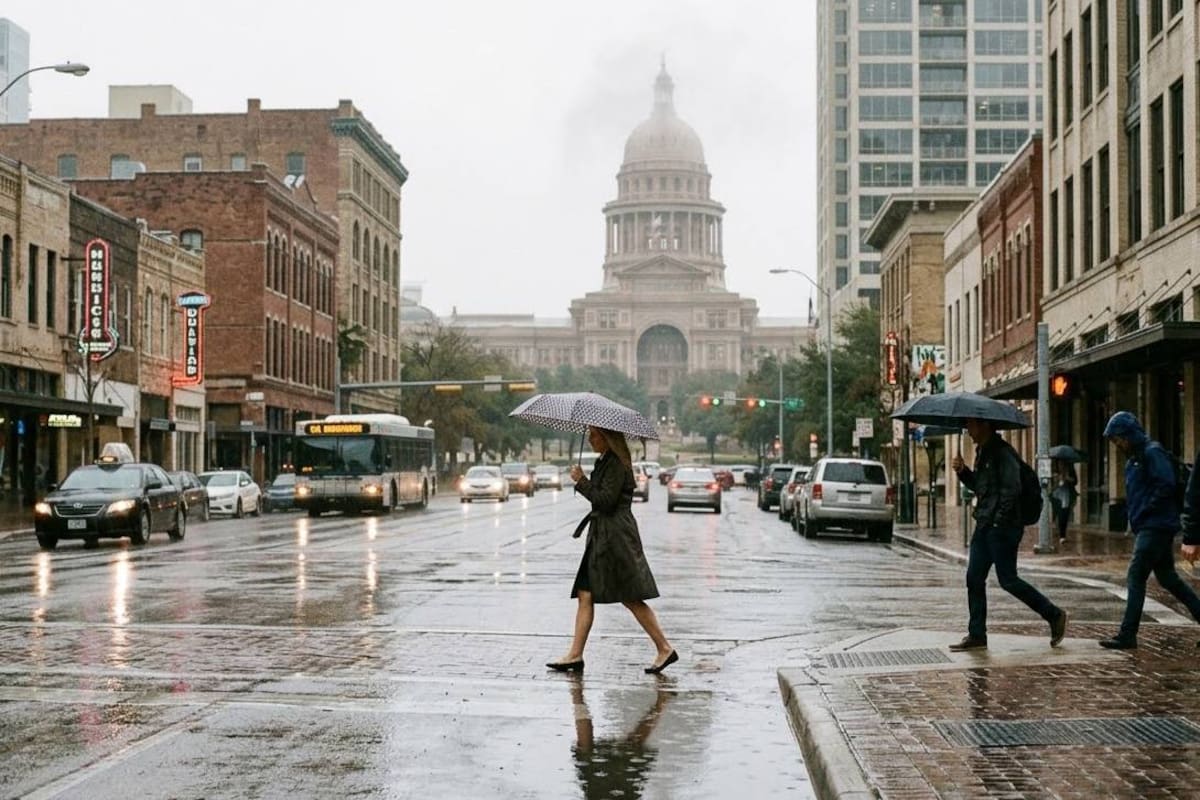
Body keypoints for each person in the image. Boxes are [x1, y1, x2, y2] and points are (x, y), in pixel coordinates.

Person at [547, 425, 677, 674]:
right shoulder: (606, 461)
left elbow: (605, 502)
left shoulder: (617, 463)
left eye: (594, 435)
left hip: (615, 538)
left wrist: (582, 481)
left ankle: (664, 647)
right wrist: (585, 481)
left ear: (607, 438)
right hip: (603, 536)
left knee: (630, 595)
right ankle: (575, 654)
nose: (590, 439)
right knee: (585, 593)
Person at [949, 417, 1068, 651]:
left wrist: (998, 522)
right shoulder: (983, 452)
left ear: (984, 426)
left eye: (971, 425)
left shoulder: (1004, 454)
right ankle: (977, 634)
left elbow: (1012, 490)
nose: (968, 430)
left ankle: (1054, 615)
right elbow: (981, 488)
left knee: (1008, 580)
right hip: (985, 524)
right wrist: (963, 472)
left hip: (1002, 528)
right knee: (974, 578)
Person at [1098, 412, 1200, 649]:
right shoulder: (1134, 458)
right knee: (1168, 578)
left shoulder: (1151, 452)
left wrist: (1145, 510)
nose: (1117, 444)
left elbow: (1166, 484)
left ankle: (1127, 634)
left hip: (1156, 525)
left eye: (1118, 439)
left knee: (1136, 575)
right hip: (1150, 524)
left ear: (1128, 435)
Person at [1050, 458, 1079, 544]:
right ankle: (1060, 532)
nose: (1061, 465)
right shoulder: (1054, 470)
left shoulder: (1070, 470)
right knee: (1059, 514)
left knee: (1064, 515)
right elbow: (1050, 483)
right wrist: (1055, 478)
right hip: (1056, 495)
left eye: (1063, 463)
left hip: (1066, 494)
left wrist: (1067, 478)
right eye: (1059, 463)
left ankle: (1062, 535)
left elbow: (1075, 481)